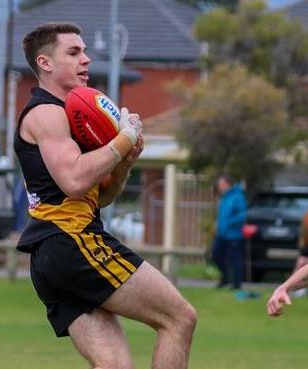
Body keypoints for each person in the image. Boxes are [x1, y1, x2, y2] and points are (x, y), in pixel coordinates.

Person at [14, 22, 196, 369]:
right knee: (179, 318)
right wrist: (122, 140)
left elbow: (100, 196)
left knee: (114, 365)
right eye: (73, 52)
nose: (86, 59)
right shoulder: (47, 113)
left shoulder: (67, 114)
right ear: (45, 63)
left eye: (84, 51)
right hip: (72, 243)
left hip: (51, 253)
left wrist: (124, 162)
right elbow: (73, 180)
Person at [211, 175, 247, 290]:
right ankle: (225, 277)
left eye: (221, 185)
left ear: (228, 184)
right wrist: (218, 224)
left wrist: (229, 224)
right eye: (218, 186)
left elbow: (242, 216)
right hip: (222, 234)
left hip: (234, 235)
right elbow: (222, 215)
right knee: (216, 255)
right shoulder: (224, 197)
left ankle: (236, 284)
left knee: (235, 260)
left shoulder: (238, 196)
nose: (219, 187)